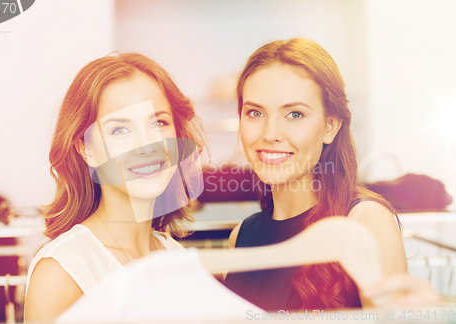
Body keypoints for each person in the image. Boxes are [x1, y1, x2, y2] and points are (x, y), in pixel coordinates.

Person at [223, 38, 408, 311]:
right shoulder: (240, 237)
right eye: (255, 112)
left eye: (294, 114)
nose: (270, 134)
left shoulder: (366, 222)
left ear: (330, 126)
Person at [24, 53, 206, 322]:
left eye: (159, 123)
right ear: (87, 150)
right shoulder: (63, 271)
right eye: (120, 130)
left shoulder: (173, 254)